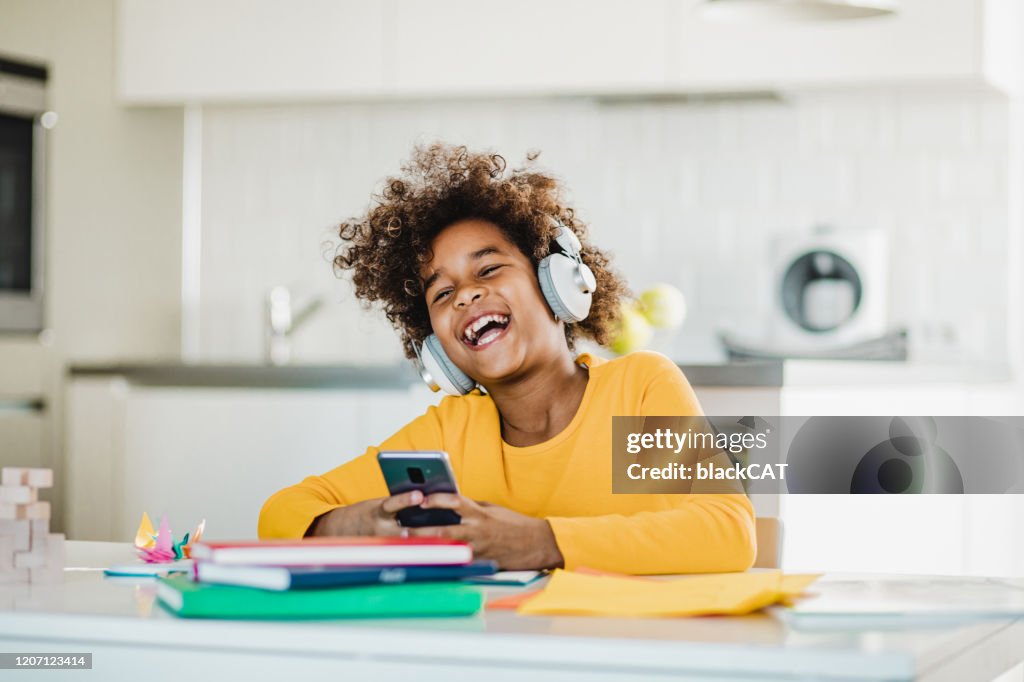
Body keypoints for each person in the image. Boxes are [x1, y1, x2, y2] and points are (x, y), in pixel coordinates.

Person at [258, 144, 756, 574]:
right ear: (435, 347)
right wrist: (358, 523)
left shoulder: (638, 387)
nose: (466, 297)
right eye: (442, 293)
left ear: (558, 285)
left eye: (490, 269)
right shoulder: (449, 433)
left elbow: (730, 533)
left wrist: (540, 541)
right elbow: (279, 513)